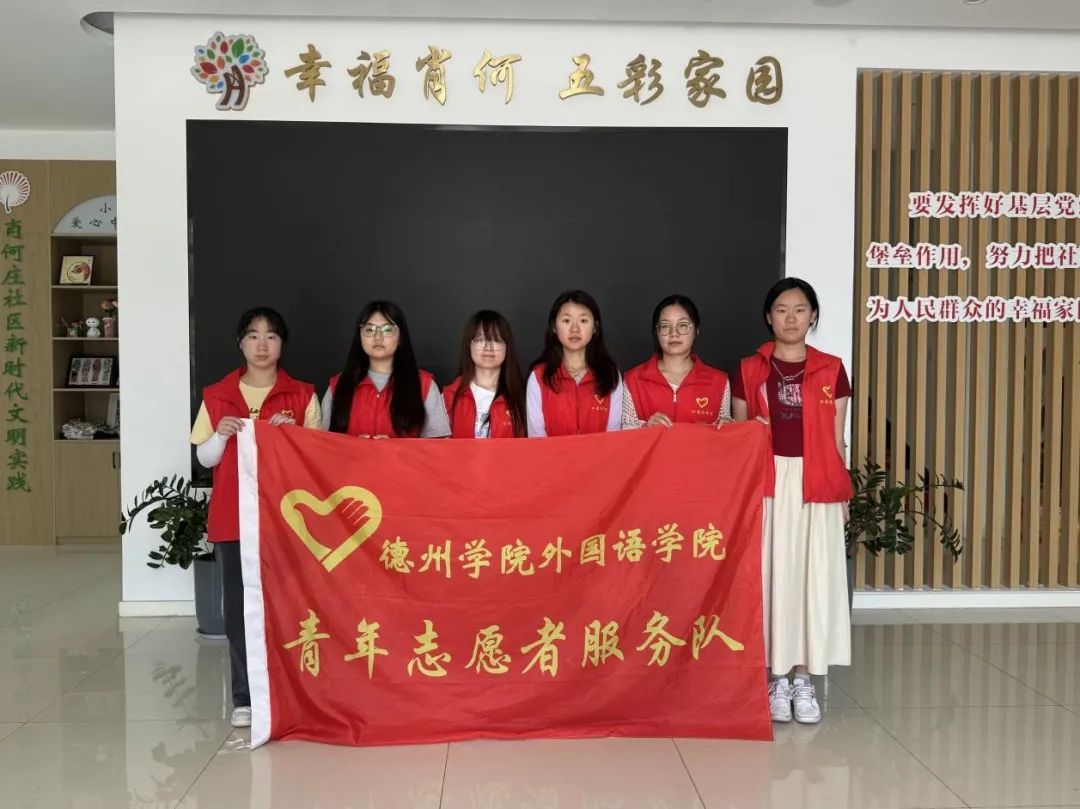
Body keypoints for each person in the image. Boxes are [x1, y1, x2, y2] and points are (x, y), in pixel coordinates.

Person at [189, 307, 320, 729]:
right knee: (238, 607)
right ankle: (244, 696)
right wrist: (221, 436)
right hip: (234, 518)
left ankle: (292, 692)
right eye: (253, 336)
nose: (262, 345)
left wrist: (292, 436)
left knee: (291, 603)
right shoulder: (217, 394)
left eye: (271, 337)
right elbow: (203, 457)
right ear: (240, 343)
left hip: (288, 520)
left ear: (283, 344)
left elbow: (318, 459)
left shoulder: (302, 395)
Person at [731, 278, 852, 725]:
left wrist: (842, 492)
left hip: (817, 479)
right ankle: (776, 677)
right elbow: (739, 438)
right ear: (769, 316)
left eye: (800, 309)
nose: (791, 318)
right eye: (782, 309)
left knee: (810, 577)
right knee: (774, 575)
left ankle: (804, 678)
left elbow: (837, 439)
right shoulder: (749, 369)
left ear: (813, 316)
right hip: (768, 480)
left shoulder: (832, 369)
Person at [322, 301, 450, 438]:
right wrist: (354, 446)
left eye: (387, 329)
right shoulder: (338, 386)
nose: (378, 337)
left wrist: (393, 447)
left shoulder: (423, 385)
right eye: (369, 330)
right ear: (359, 337)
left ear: (400, 338)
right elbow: (321, 444)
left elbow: (438, 445)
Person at [622, 294, 732, 429]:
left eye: (683, 325)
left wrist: (728, 428)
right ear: (656, 332)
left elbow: (725, 435)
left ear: (696, 330)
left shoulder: (719, 382)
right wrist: (645, 426)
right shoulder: (633, 380)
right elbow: (624, 432)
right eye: (665, 326)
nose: (674, 333)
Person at [526, 290, 622, 437]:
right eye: (566, 321)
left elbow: (613, 436)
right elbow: (536, 437)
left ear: (595, 327)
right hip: (551, 453)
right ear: (554, 326)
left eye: (583, 321)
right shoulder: (539, 377)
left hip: (601, 453)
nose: (575, 329)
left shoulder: (610, 375)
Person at [442, 310, 527, 438]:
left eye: (496, 340)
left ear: (507, 347)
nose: (488, 347)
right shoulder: (449, 397)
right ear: (468, 345)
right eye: (480, 339)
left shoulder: (522, 397)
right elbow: (439, 447)